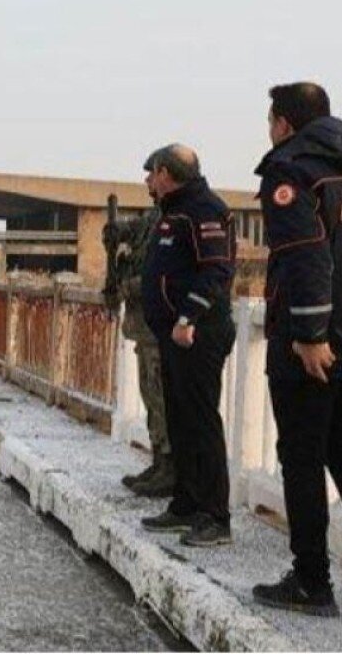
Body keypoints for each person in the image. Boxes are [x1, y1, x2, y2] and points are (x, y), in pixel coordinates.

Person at [251, 82, 342, 616]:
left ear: (284, 123)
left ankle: (312, 582)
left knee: (302, 458)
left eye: (270, 122)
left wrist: (309, 335)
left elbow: (306, 254)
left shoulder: (291, 168)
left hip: (313, 342)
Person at [138, 144, 236, 547]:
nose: (148, 180)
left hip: (198, 333)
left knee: (201, 421)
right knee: (180, 419)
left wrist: (187, 316)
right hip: (173, 335)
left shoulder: (204, 209)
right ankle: (186, 504)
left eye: (152, 173)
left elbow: (216, 270)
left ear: (165, 172)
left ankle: (215, 516)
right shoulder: (174, 211)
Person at [105, 205, 173, 497]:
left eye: (153, 180)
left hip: (158, 327)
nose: (148, 183)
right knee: (149, 394)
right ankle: (159, 461)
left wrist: (128, 286)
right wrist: (115, 231)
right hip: (143, 327)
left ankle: (169, 466)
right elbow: (131, 230)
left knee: (160, 397)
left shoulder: (173, 218)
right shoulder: (152, 217)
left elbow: (165, 276)